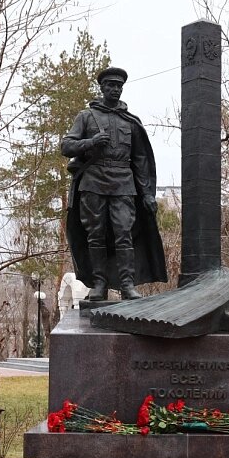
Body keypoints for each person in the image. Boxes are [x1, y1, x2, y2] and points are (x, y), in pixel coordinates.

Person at [61, 66, 167, 301]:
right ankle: (99, 284)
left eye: (119, 86)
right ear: (102, 87)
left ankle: (127, 285)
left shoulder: (129, 121)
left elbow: (140, 161)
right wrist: (90, 142)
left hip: (123, 183)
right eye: (111, 85)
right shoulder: (86, 116)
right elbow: (66, 146)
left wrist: (148, 193)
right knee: (96, 235)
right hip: (93, 182)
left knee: (124, 233)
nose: (115, 89)